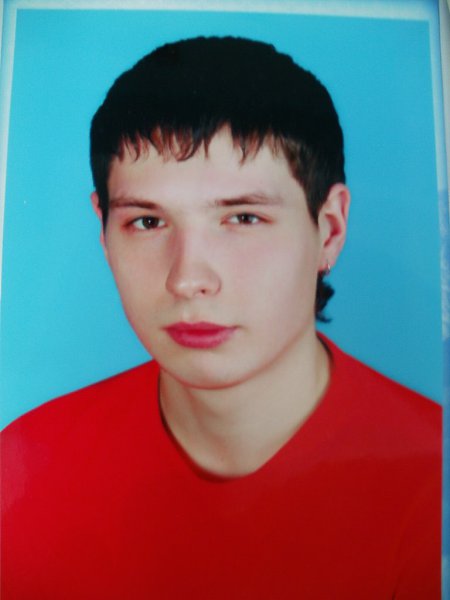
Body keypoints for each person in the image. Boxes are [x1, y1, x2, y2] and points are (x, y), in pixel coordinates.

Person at [1, 36, 442, 599]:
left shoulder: (434, 479)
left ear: (329, 230)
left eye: (243, 218)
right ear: (103, 232)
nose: (187, 279)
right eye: (147, 222)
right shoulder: (26, 469)